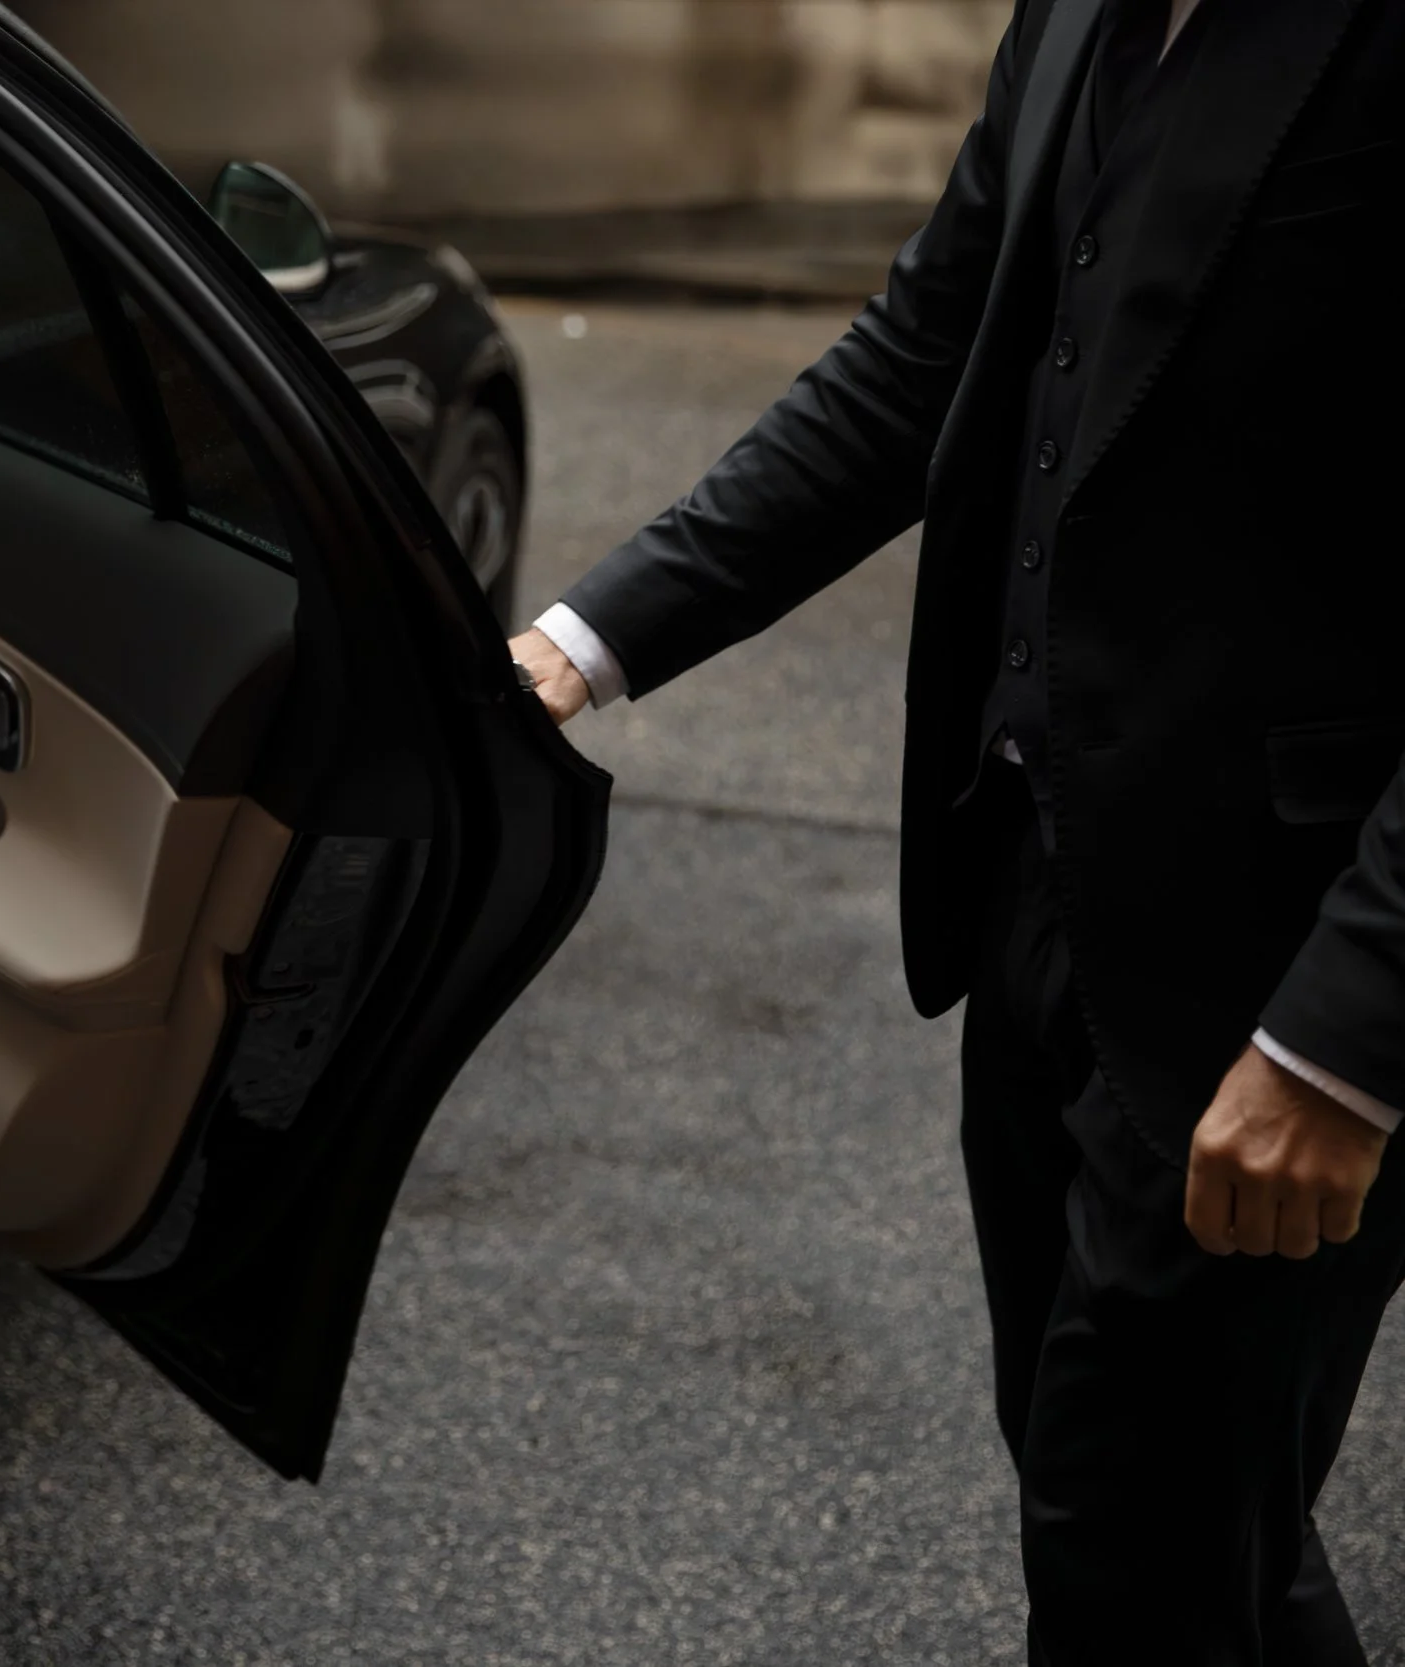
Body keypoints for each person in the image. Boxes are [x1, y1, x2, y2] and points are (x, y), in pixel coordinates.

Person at [507, 0, 1405, 1659]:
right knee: (1183, 1536)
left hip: (1280, 972)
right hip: (1036, 884)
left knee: (1124, 1546)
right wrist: (580, 640)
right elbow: (923, 359)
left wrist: (1348, 1042)